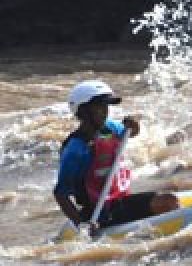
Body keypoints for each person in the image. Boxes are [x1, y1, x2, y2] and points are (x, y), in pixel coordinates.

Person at [54, 80, 179, 233]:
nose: (105, 111)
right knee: (168, 201)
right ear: (84, 111)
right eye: (99, 106)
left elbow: (131, 132)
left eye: (106, 106)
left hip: (118, 201)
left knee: (169, 199)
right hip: (98, 213)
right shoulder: (76, 148)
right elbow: (60, 194)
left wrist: (134, 126)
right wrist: (81, 225)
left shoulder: (109, 128)